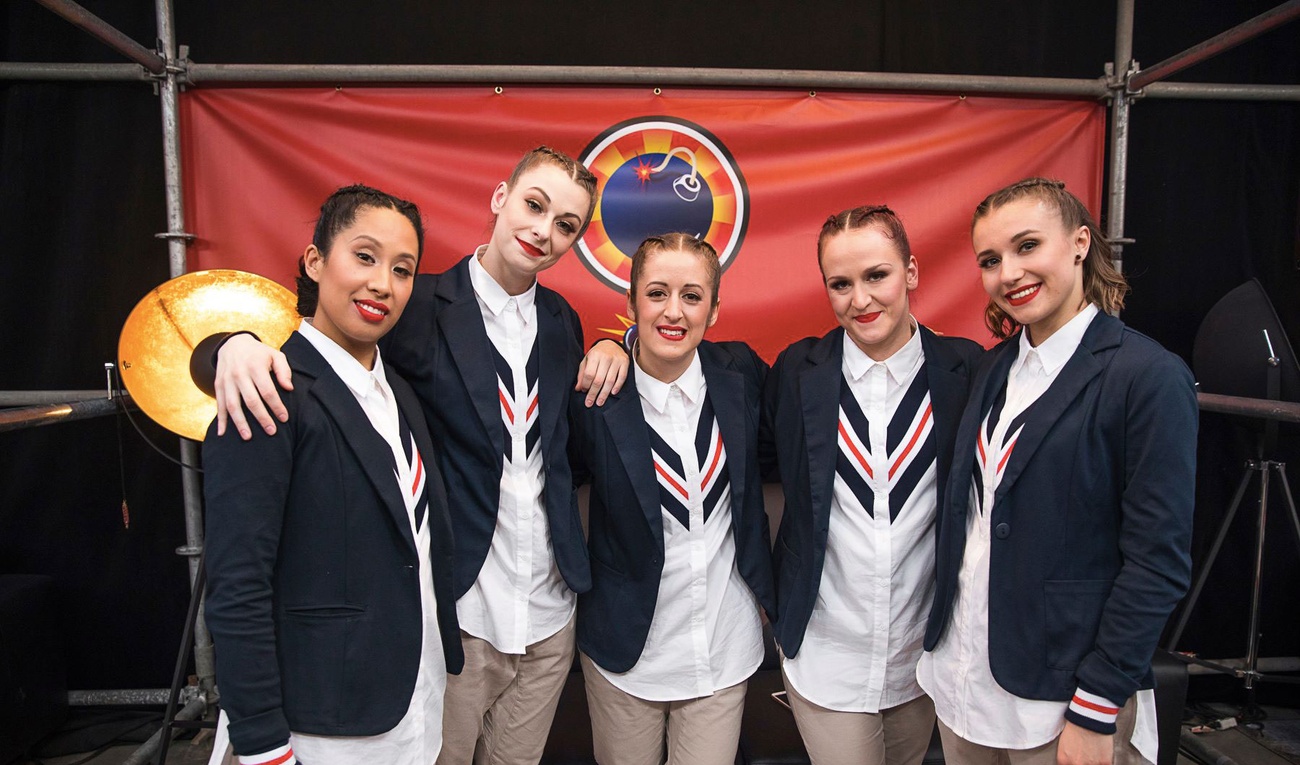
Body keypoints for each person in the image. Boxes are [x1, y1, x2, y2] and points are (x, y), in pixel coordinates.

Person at [210, 147, 631, 765]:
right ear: (499, 197)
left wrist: (615, 343)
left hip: (548, 608)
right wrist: (229, 344)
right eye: (534, 205)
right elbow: (312, 349)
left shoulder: (563, 320)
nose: (543, 231)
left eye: (565, 224)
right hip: (457, 613)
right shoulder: (413, 304)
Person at [916, 178, 1198, 765]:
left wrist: (1096, 707)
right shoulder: (992, 368)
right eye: (990, 260)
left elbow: (1157, 560)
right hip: (964, 679)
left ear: (1078, 243)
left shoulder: (1148, 376)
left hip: (1062, 699)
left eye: (1026, 246)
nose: (1008, 273)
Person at [204, 184, 464, 765]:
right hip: (317, 727)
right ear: (315, 260)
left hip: (410, 705)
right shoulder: (268, 388)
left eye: (402, 269)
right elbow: (237, 587)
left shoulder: (398, 392)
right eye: (364, 257)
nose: (382, 284)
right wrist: (265, 746)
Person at [765, 206, 982, 765]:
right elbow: (707, 382)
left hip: (922, 653)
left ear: (910, 271)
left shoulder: (969, 370)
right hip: (825, 650)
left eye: (876, 276)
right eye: (840, 283)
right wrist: (618, 346)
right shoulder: (795, 372)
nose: (859, 299)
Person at [569, 233, 776, 765]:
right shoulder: (595, 395)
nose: (673, 312)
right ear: (631, 301)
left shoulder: (742, 374)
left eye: (692, 296)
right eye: (657, 293)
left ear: (714, 308)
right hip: (626, 654)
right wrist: (609, 346)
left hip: (722, 649)